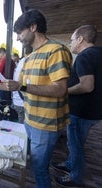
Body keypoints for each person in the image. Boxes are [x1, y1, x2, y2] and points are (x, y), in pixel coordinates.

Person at [0, 9, 72, 187]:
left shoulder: (56, 50)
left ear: (33, 27)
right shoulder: (29, 57)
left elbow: (60, 89)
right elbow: (15, 84)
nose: (17, 38)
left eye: (19, 33)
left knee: (40, 169)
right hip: (30, 121)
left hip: (45, 125)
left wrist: (22, 86)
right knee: (35, 164)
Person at [52, 25, 102, 187]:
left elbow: (87, 86)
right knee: (77, 142)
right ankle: (69, 164)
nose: (70, 43)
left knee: (75, 145)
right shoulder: (99, 53)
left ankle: (75, 177)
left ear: (80, 39)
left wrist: (65, 91)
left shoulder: (84, 56)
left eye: (72, 40)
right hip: (93, 111)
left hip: (81, 111)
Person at [11, 46, 32, 124]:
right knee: (23, 125)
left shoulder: (22, 61)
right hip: (21, 101)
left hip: (18, 99)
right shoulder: (27, 61)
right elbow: (24, 82)